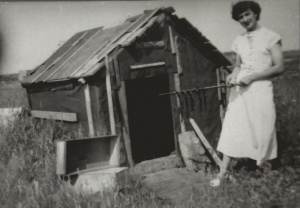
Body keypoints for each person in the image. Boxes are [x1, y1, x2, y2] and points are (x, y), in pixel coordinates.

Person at [211, 1, 284, 187]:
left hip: (260, 89)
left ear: (255, 13)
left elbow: (279, 67)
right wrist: (234, 74)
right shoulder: (239, 40)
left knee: (262, 128)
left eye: (247, 14)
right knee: (233, 127)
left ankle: (264, 173)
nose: (244, 19)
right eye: (240, 17)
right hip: (240, 91)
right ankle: (223, 172)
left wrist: (252, 77)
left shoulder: (271, 37)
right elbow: (237, 64)